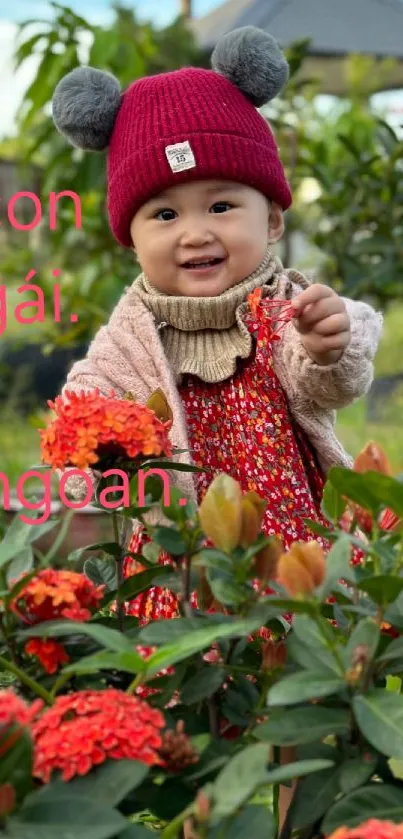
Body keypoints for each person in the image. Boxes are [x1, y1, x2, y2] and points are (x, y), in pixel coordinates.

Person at [52, 24, 382, 829]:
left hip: (291, 546)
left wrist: (326, 338)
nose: (194, 232)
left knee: (307, 708)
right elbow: (86, 405)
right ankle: (210, 811)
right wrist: (91, 453)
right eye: (163, 212)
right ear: (129, 237)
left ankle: (315, 809)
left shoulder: (286, 305)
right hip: (183, 562)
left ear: (272, 221)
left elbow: (324, 373)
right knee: (200, 714)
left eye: (222, 204)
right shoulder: (132, 333)